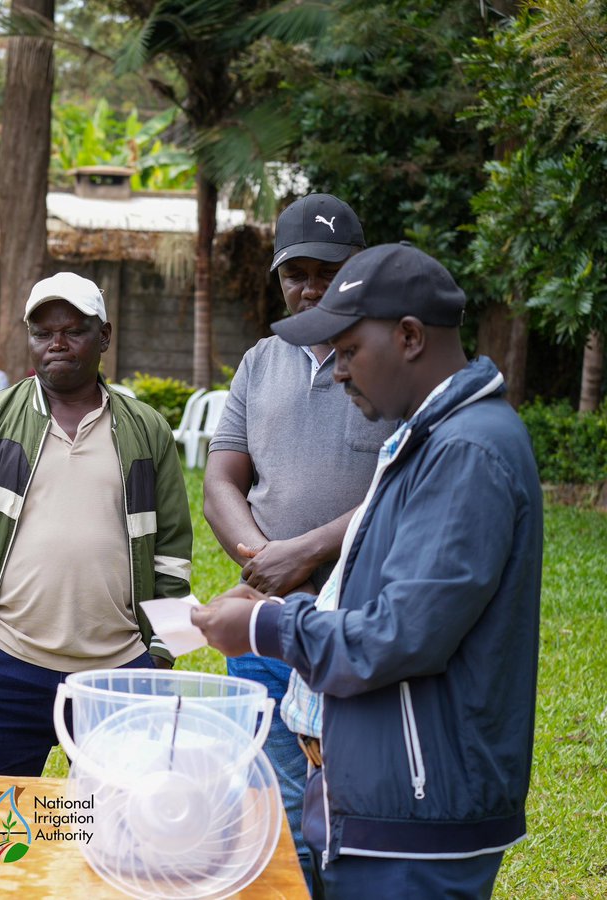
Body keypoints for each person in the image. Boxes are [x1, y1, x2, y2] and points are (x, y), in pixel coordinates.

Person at [191, 244, 543, 899]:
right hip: (390, 804)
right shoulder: (427, 440)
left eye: (349, 352)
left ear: (409, 337)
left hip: (420, 824)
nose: (338, 373)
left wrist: (267, 627)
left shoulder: (467, 452)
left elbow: (400, 636)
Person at [202, 194, 393, 887]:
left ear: (358, 272)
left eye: (327, 270)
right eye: (295, 272)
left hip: (357, 626)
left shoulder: (384, 361)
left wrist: (307, 551)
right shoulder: (261, 360)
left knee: (349, 804)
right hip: (265, 622)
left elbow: (400, 486)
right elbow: (222, 478)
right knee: (269, 799)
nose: (310, 286)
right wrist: (262, 558)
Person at [0, 271, 193, 776]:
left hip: (119, 671)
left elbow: (173, 553)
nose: (56, 344)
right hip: (5, 665)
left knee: (113, 835)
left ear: (104, 336)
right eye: (41, 332)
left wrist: (159, 653)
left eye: (73, 330)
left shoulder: (146, 430)